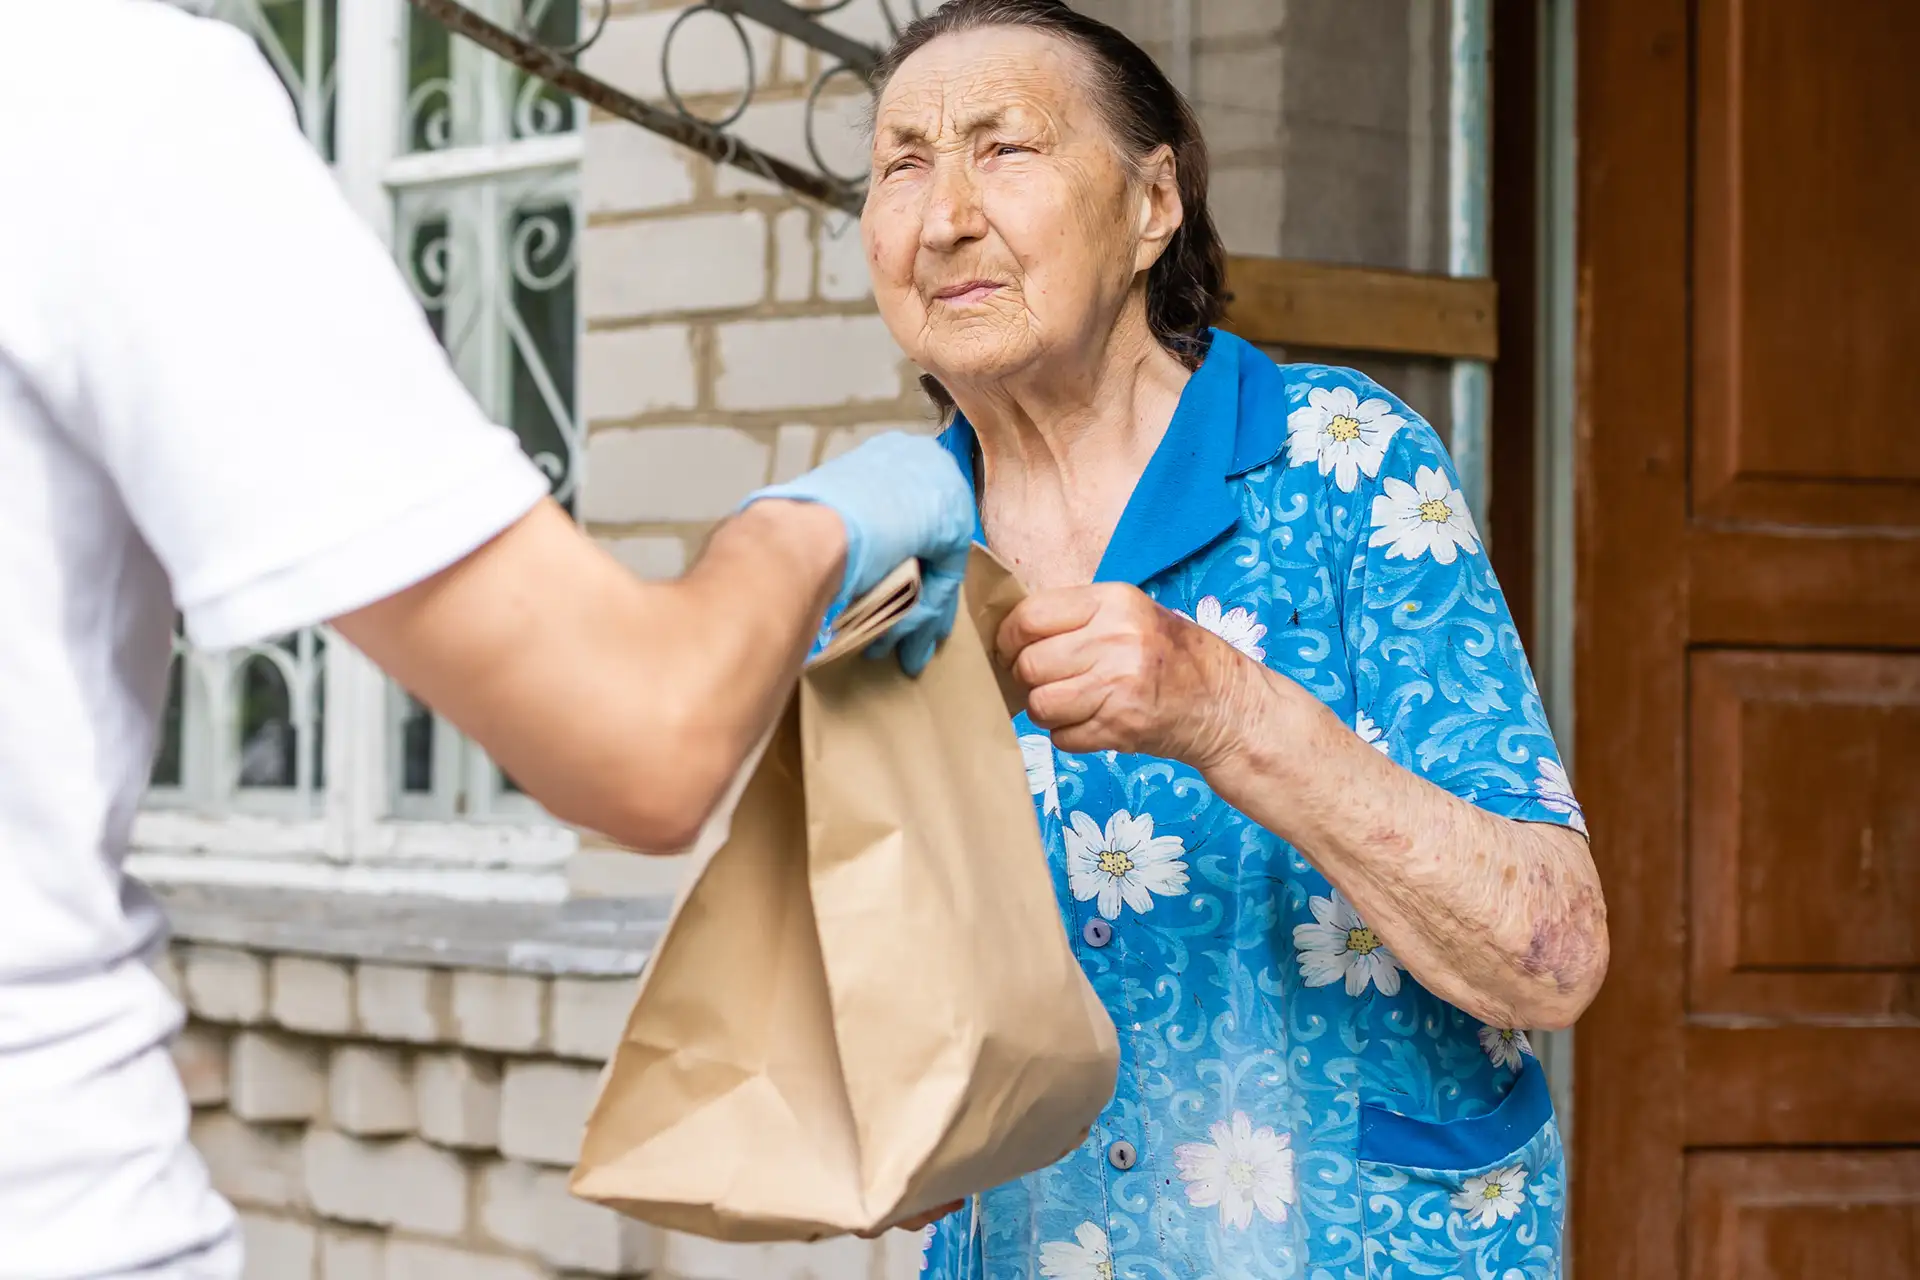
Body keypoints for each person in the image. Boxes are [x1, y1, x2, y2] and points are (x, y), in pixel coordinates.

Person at [0, 2, 973, 1275]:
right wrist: (821, 521)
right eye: (903, 162)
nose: (949, 217)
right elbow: (645, 736)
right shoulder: (95, 96)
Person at [861, 3, 1609, 1277]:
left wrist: (1227, 706)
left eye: (1006, 150)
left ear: (1153, 203)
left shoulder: (1342, 461)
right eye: (902, 165)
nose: (944, 218)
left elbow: (1553, 958)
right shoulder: (898, 553)